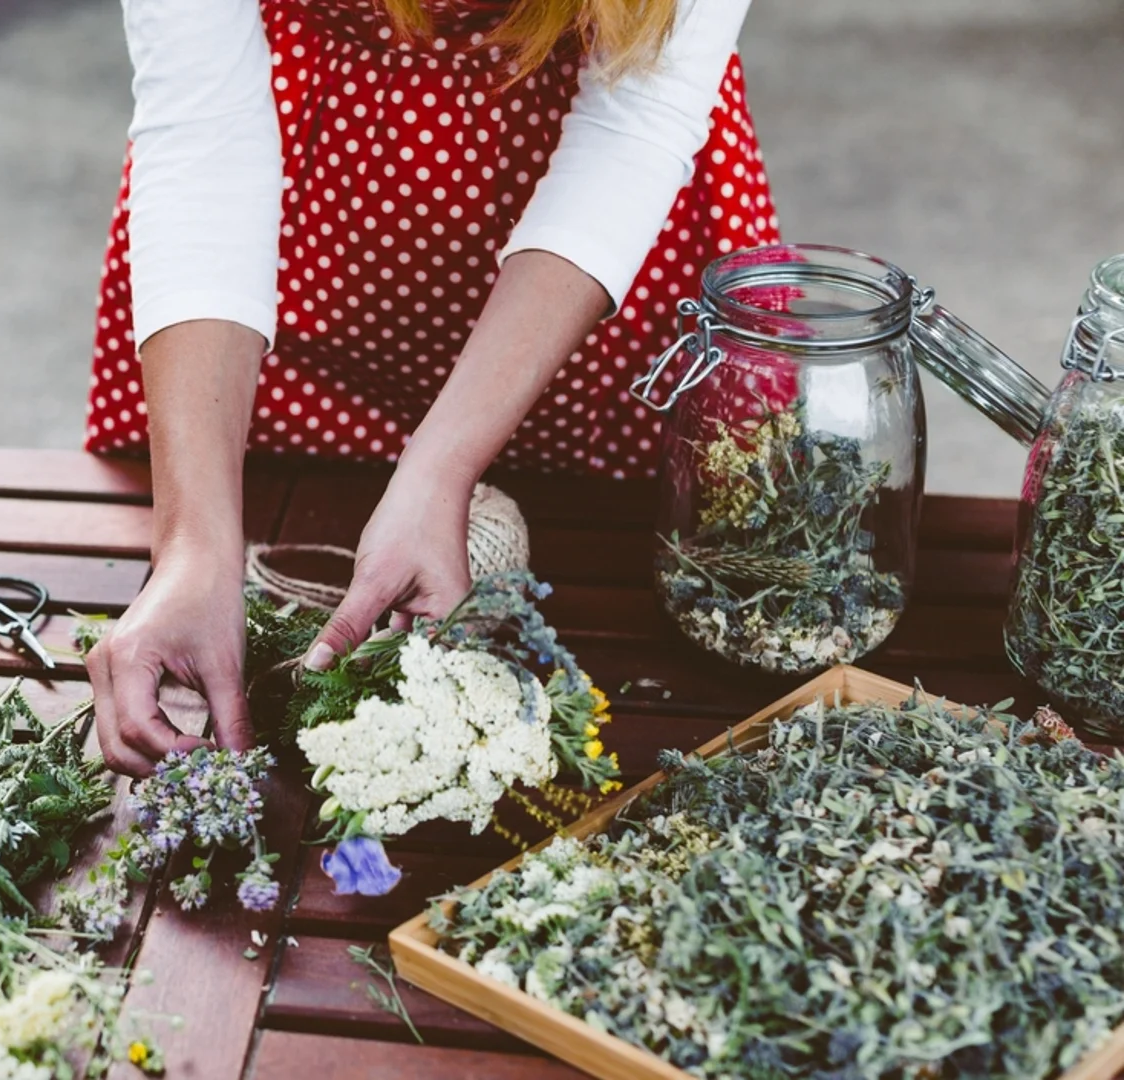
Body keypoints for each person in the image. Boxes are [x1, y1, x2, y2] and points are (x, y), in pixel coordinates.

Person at [83, 0, 776, 776]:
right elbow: (202, 128)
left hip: (585, 271)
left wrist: (438, 470)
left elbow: (636, 125)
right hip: (314, 232)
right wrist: (193, 546)